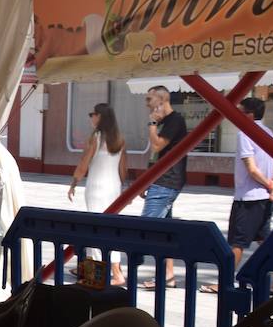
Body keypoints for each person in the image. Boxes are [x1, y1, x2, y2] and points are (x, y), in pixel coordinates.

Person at [206, 96, 273, 295]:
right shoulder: (269, 133)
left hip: (249, 197)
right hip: (266, 197)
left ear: (249, 115)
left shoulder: (245, 134)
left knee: (237, 242)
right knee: (266, 241)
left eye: (240, 112)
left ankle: (224, 281)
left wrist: (268, 184)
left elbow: (251, 168)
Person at [67, 103, 128, 286]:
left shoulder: (97, 137)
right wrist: (123, 189)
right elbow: (123, 168)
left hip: (97, 188)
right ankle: (115, 272)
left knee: (95, 229)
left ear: (100, 116)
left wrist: (74, 182)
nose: (90, 117)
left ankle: (96, 275)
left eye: (92, 114)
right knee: (111, 230)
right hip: (114, 188)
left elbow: (84, 162)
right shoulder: (119, 138)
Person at [139, 86, 188, 290]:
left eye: (149, 99)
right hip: (161, 181)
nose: (147, 103)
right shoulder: (165, 122)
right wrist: (146, 181)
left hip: (167, 182)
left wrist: (151, 123)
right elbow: (156, 156)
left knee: (148, 229)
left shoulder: (174, 120)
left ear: (160, 100)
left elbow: (157, 146)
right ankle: (167, 275)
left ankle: (161, 275)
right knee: (164, 231)